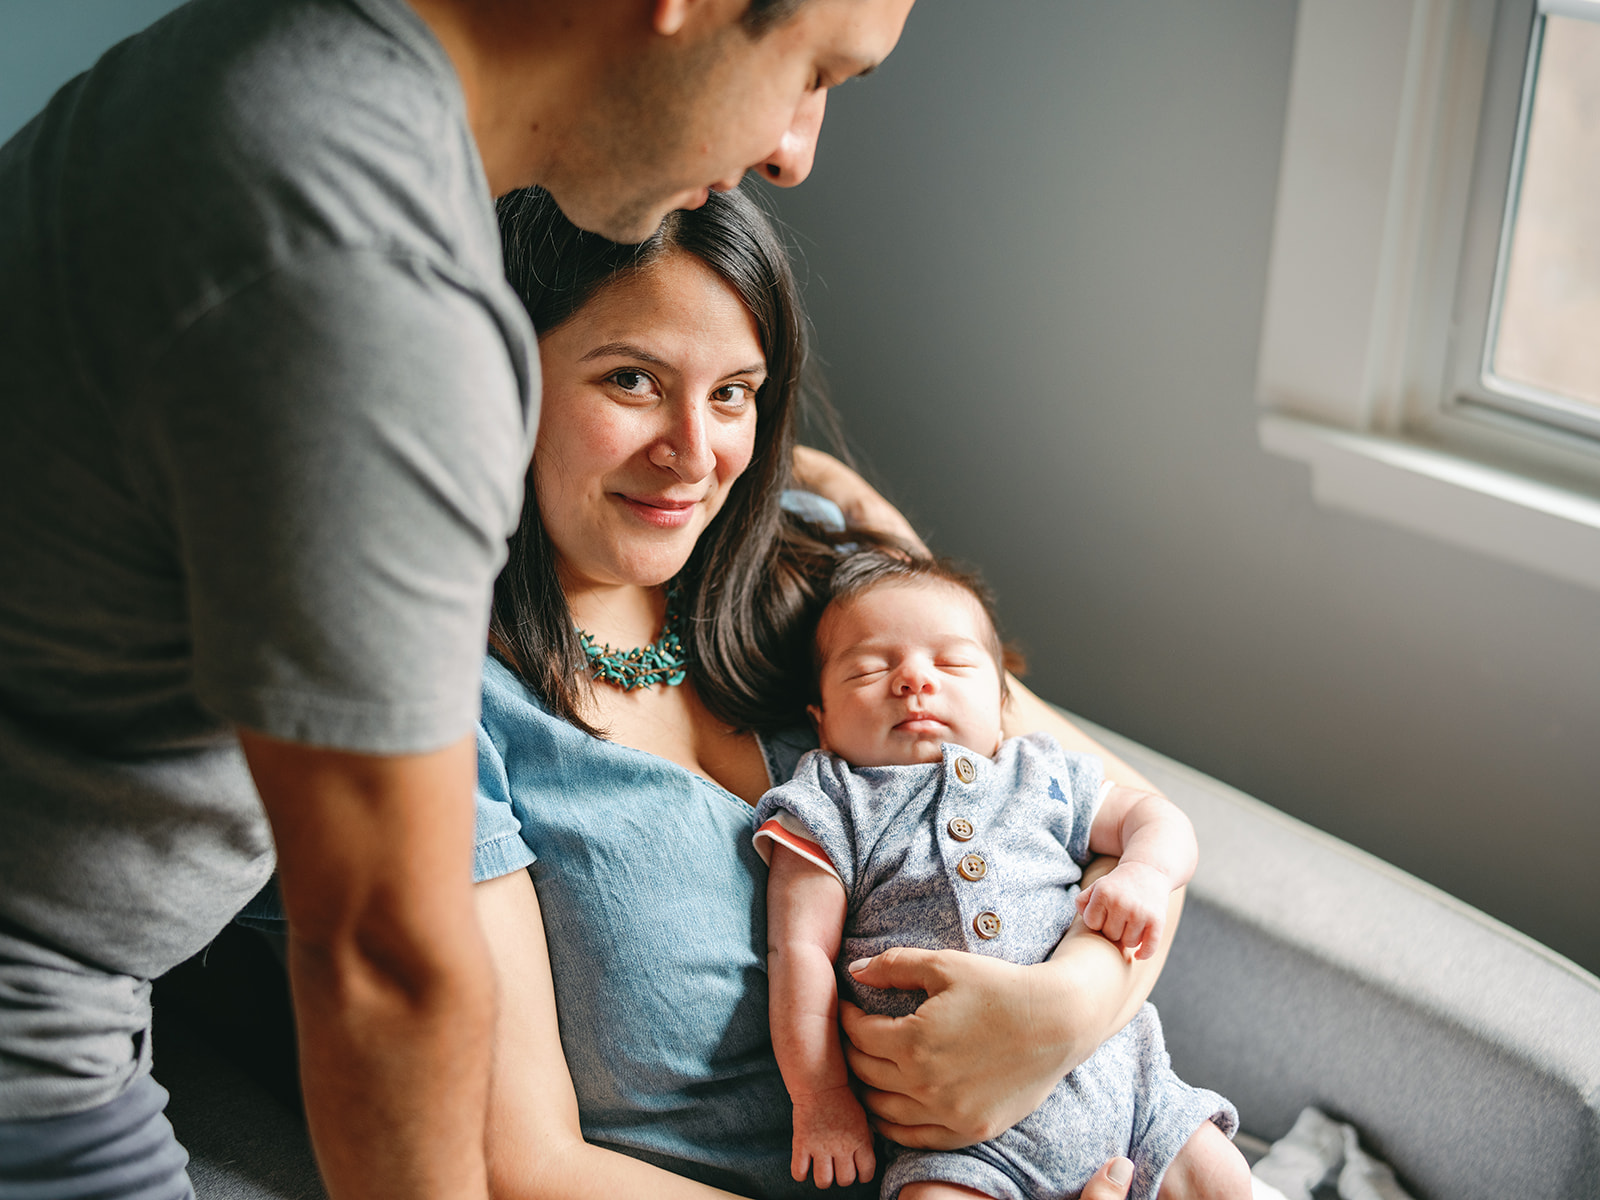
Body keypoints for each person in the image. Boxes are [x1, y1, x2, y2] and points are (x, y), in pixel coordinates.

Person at [0, 2, 914, 1198]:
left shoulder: (268, 63)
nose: (797, 147)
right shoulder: (371, 294)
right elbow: (385, 964)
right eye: (813, 71)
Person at [468, 184, 1180, 1200]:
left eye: (732, 393)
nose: (694, 453)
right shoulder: (448, 710)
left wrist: (1057, 1015)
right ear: (503, 381)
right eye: (631, 380)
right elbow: (518, 1167)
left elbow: (1133, 823)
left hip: (1107, 1139)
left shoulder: (816, 568)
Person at [755, 552, 1253, 1199]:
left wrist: (1145, 874)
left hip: (1122, 1087)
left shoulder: (1040, 772)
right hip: (962, 1147)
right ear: (819, 720)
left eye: (952, 662)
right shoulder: (831, 800)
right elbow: (797, 952)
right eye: (870, 667)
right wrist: (819, 1096)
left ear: (1001, 700)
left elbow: (1157, 817)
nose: (913, 680)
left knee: (1225, 1181)